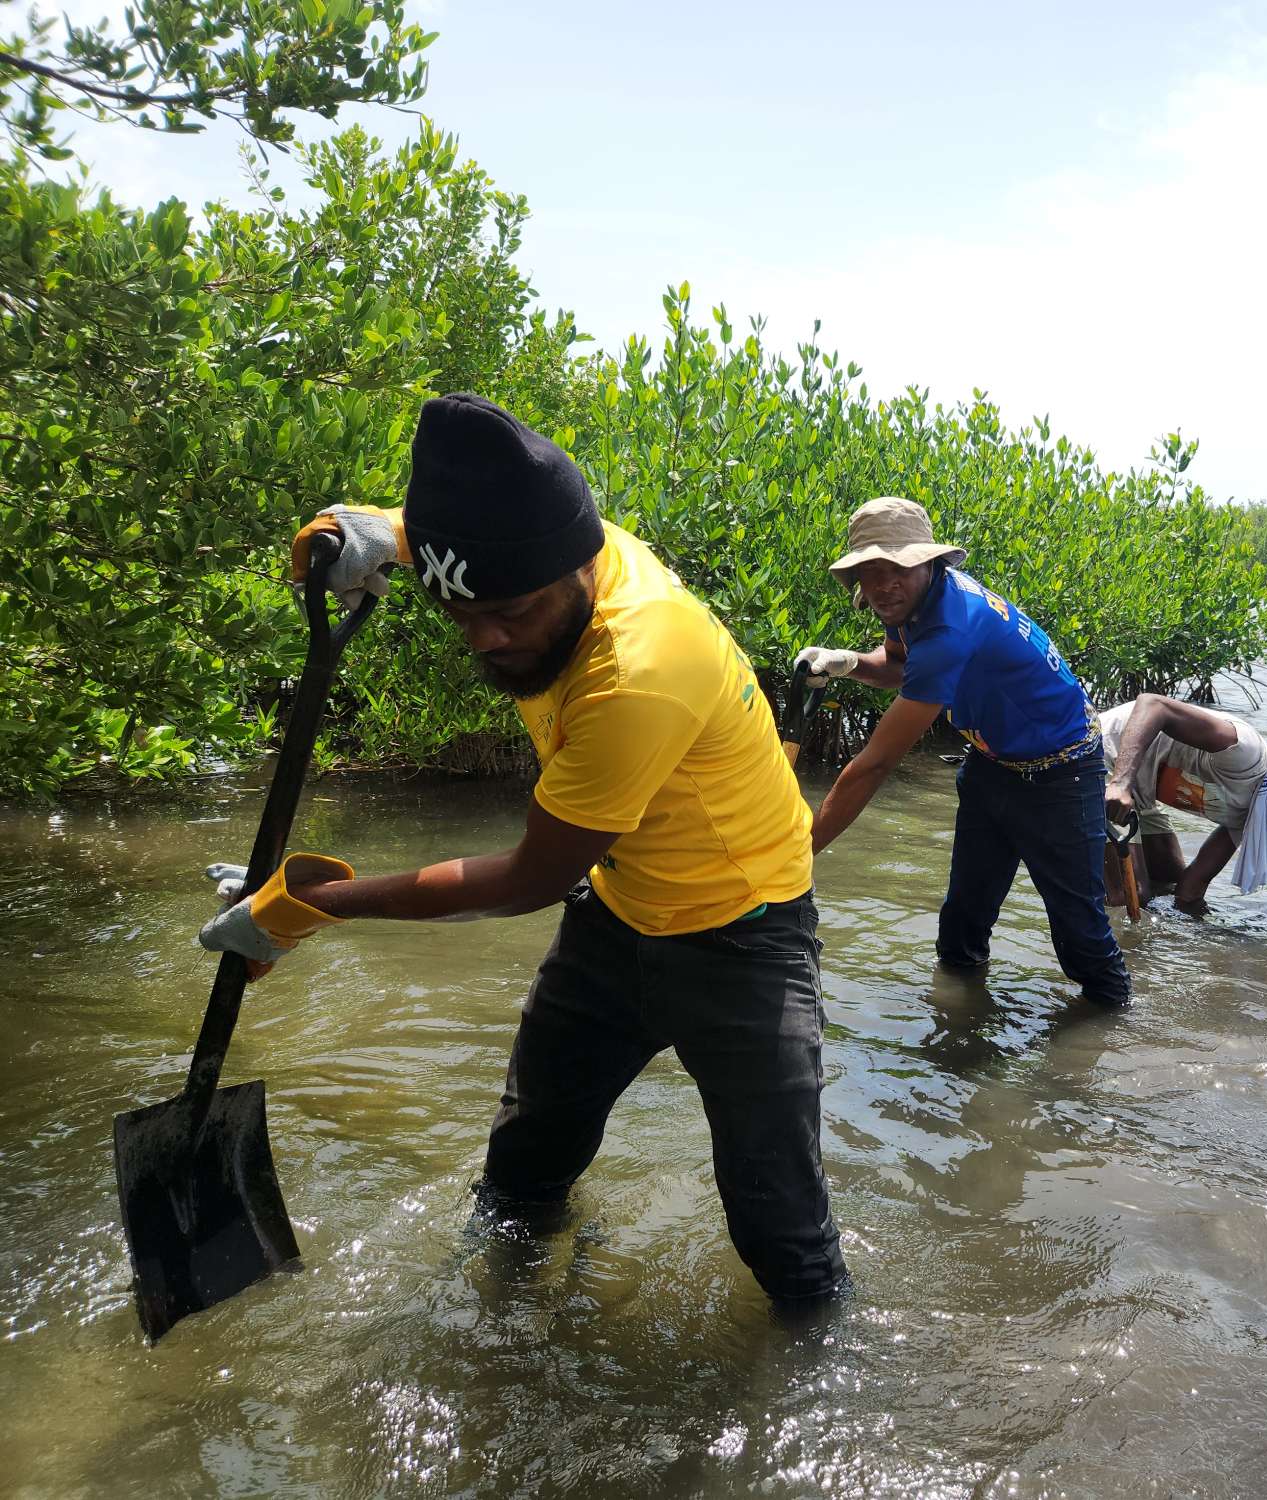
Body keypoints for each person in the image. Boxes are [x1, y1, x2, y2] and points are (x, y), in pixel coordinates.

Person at [198, 393, 847, 1304]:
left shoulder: (639, 671)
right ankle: (499, 1320)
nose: (488, 639)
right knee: (524, 1165)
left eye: (512, 613)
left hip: (744, 934)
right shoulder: (523, 545)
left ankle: (814, 1387)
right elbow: (445, 541)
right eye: (463, 613)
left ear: (578, 569)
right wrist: (373, 534)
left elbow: (529, 879)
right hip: (619, 915)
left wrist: (305, 904)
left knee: (777, 1225)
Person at [797, 497, 1131, 1009]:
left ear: (928, 562)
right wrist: (848, 663)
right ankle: (960, 1026)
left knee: (1080, 936)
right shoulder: (912, 602)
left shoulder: (953, 629)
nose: (884, 584)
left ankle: (1115, 1028)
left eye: (898, 568)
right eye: (870, 571)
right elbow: (898, 664)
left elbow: (874, 766)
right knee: (961, 927)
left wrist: (798, 855)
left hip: (1063, 774)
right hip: (990, 765)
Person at [1099, 693, 1267, 916]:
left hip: (1142, 793)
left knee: (1167, 884)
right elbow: (1153, 704)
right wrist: (1121, 782)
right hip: (1110, 757)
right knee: (1129, 896)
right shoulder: (1246, 754)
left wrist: (1206, 933)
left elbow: (1192, 886)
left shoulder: (1258, 810)